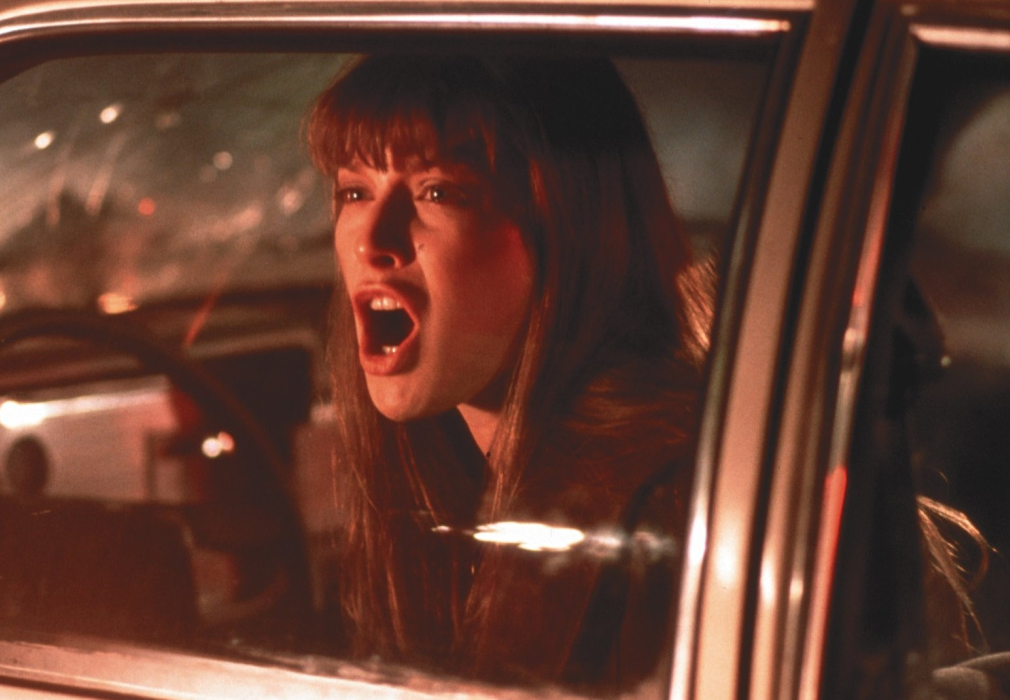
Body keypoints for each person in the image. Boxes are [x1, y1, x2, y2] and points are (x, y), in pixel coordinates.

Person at [305, 55, 712, 688]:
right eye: (354, 192)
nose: (370, 241)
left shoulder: (653, 511)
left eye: (438, 192)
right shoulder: (451, 490)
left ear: (565, 231)